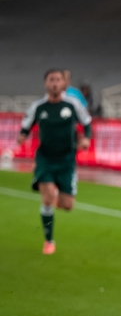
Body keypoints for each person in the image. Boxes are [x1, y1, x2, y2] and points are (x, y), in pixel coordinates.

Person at [16, 69, 92, 255]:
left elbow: (87, 122)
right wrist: (22, 136)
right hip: (45, 159)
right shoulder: (38, 107)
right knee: (48, 198)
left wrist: (86, 139)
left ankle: (58, 194)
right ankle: (49, 240)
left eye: (58, 80)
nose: (55, 83)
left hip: (66, 160)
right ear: (46, 84)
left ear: (63, 83)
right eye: (51, 80)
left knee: (67, 206)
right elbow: (26, 126)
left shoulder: (72, 104)